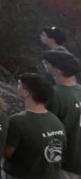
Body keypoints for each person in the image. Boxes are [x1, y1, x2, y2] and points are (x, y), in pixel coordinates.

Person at [3, 73, 66, 179]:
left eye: (19, 85)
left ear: (26, 93)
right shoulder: (57, 121)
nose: (17, 87)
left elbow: (7, 153)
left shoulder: (17, 120)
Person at [43, 50, 81, 178]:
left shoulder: (54, 94)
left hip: (64, 162)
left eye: (47, 63)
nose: (44, 64)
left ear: (57, 71)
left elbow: (46, 130)